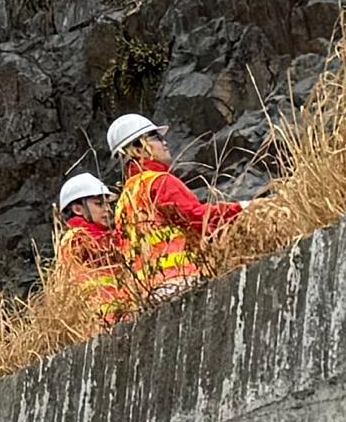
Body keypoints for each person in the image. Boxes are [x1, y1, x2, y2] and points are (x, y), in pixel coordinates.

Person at [106, 110, 243, 294]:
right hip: (179, 280)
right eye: (155, 137)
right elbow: (198, 218)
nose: (164, 142)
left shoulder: (124, 200)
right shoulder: (159, 181)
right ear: (138, 149)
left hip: (147, 292)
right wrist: (242, 209)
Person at [51, 172, 138, 332]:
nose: (108, 210)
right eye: (99, 204)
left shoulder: (103, 235)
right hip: (99, 322)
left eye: (108, 204)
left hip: (120, 317)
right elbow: (102, 251)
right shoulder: (75, 238)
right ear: (78, 209)